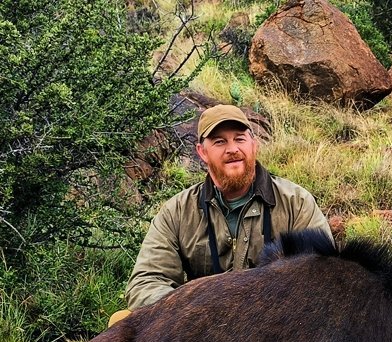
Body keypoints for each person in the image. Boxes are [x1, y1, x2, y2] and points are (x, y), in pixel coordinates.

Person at [109, 105, 332, 325]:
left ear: (254, 145)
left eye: (240, 139)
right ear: (202, 152)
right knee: (120, 322)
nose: (232, 148)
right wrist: (193, 312)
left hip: (274, 325)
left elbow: (323, 275)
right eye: (219, 141)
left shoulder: (296, 202)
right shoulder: (176, 211)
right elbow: (146, 281)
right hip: (202, 329)